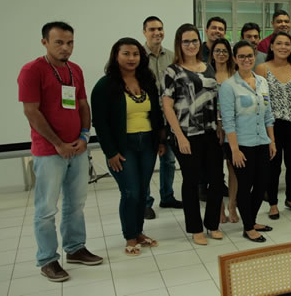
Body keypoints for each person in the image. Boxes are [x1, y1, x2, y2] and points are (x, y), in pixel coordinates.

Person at [18, 21, 102, 282]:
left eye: (70, 42)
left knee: (75, 204)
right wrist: (58, 143)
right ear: (45, 42)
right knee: (46, 209)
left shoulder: (74, 70)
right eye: (59, 43)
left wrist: (84, 137)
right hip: (49, 151)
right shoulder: (32, 70)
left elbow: (83, 105)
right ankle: (47, 259)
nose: (66, 48)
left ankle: (75, 248)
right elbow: (31, 111)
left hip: (77, 148)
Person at [91, 38, 164, 256]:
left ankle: (139, 232)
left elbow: (156, 113)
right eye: (126, 53)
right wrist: (110, 152)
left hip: (147, 143)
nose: (131, 58)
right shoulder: (105, 85)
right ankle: (130, 237)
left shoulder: (147, 80)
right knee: (130, 192)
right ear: (116, 55)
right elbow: (101, 123)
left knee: (142, 191)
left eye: (136, 54)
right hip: (123, 147)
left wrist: (160, 140)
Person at [162, 23, 223, 246]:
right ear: (179, 44)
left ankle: (213, 223)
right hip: (186, 134)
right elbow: (167, 106)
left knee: (216, 180)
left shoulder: (207, 67)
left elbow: (214, 100)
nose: (191, 45)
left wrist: (219, 126)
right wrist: (179, 135)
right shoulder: (172, 70)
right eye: (186, 41)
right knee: (192, 181)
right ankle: (196, 228)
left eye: (194, 40)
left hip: (210, 132)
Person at [219, 41, 277, 242]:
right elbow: (228, 121)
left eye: (250, 56)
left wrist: (272, 141)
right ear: (234, 59)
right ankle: (248, 227)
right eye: (241, 56)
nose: (246, 60)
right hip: (241, 144)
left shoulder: (262, 81)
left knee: (262, 185)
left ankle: (251, 220)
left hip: (262, 141)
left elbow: (268, 114)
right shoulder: (229, 86)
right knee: (245, 186)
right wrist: (234, 149)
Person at [256, 32, 291, 218]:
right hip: (272, 125)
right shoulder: (262, 68)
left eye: (287, 44)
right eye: (279, 43)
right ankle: (272, 202)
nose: (283, 47)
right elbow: (258, 99)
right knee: (273, 165)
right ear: (271, 46)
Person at [141, 16, 182, 219]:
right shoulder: (137, 56)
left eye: (160, 29)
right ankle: (146, 202)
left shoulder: (173, 57)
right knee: (148, 161)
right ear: (144, 32)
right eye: (152, 29)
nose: (157, 32)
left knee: (169, 161)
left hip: (168, 115)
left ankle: (167, 196)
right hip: (146, 117)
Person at [210, 39, 239, 224]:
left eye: (225, 51)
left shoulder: (236, 75)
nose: (221, 54)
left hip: (233, 128)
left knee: (233, 168)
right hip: (211, 128)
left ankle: (232, 206)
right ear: (212, 53)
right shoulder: (206, 74)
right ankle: (219, 208)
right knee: (215, 171)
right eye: (217, 50)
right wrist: (217, 125)